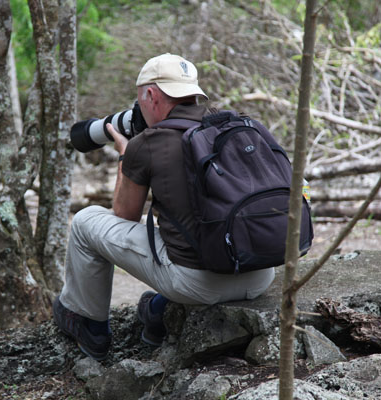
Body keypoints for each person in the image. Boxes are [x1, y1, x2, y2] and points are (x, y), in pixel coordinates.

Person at [53, 53, 275, 360]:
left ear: (150, 94)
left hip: (198, 284)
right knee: (192, 223)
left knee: (86, 222)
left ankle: (89, 326)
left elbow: (123, 215)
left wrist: (125, 155)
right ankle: (158, 311)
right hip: (261, 273)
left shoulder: (151, 142)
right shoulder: (234, 125)